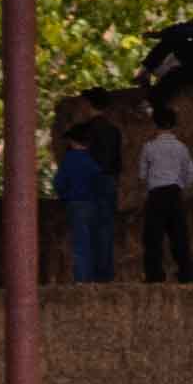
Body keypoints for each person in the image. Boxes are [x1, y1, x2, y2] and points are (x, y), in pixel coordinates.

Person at [139, 105, 193, 283]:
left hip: (156, 194)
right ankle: (186, 273)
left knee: (153, 237)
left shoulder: (149, 147)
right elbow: (191, 173)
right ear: (174, 125)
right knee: (179, 235)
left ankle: (154, 274)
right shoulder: (181, 148)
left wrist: (149, 183)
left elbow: (142, 174)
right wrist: (181, 185)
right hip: (174, 192)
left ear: (155, 125)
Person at [72, 87, 123, 282]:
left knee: (83, 231)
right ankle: (105, 278)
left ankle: (84, 279)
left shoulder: (83, 131)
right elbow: (118, 163)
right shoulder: (114, 131)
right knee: (105, 230)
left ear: (88, 105)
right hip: (108, 182)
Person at [54, 124, 106, 283]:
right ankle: (96, 277)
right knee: (95, 241)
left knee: (80, 243)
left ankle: (82, 280)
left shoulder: (69, 159)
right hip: (93, 204)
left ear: (72, 141)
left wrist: (64, 196)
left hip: (76, 204)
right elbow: (100, 183)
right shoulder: (92, 161)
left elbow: (59, 182)